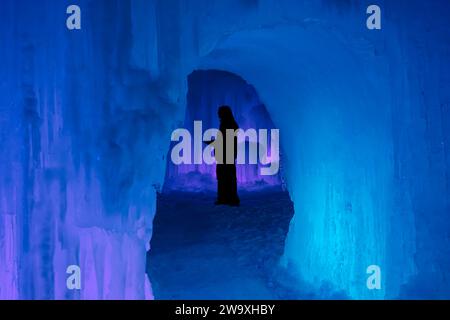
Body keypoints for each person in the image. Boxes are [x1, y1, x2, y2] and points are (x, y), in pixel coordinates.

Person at [205, 106, 240, 206]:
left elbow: (225, 141)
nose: (218, 115)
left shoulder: (228, 124)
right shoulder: (229, 123)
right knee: (226, 176)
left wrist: (213, 142)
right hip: (227, 154)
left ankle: (227, 198)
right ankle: (227, 198)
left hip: (226, 155)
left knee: (225, 177)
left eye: (220, 113)